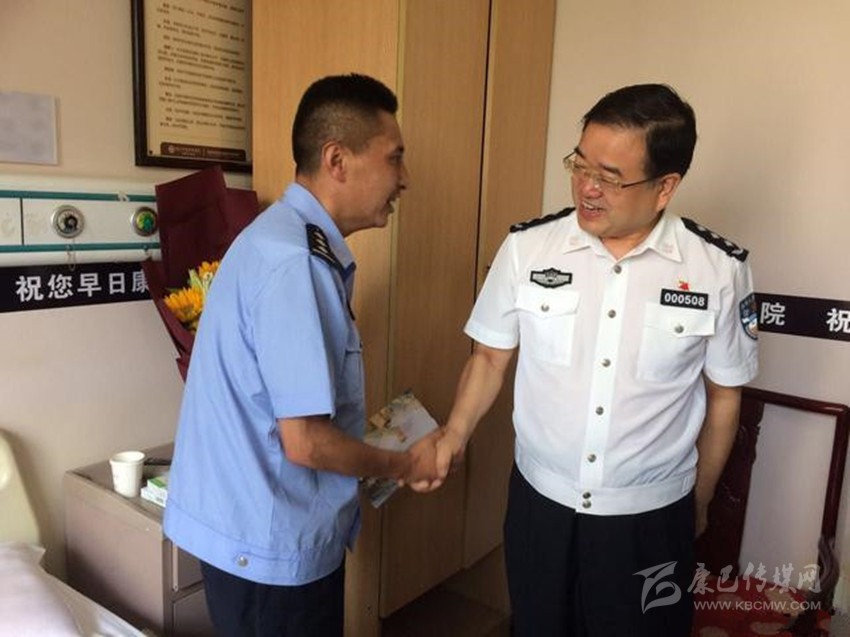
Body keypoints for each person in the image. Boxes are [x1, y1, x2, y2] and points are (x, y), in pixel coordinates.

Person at [430, 84, 758, 635]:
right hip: (541, 506)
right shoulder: (528, 248)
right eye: (580, 165)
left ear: (665, 187)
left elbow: (724, 395)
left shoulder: (717, 270)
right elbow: (489, 357)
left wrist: (697, 500)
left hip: (651, 519)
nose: (587, 187)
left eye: (609, 177)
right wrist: (454, 435)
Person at [163, 73, 441, 637]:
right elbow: (306, 442)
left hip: (245, 531)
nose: (405, 179)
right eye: (395, 158)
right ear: (337, 159)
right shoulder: (295, 263)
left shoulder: (277, 239)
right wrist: (405, 465)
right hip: (268, 553)